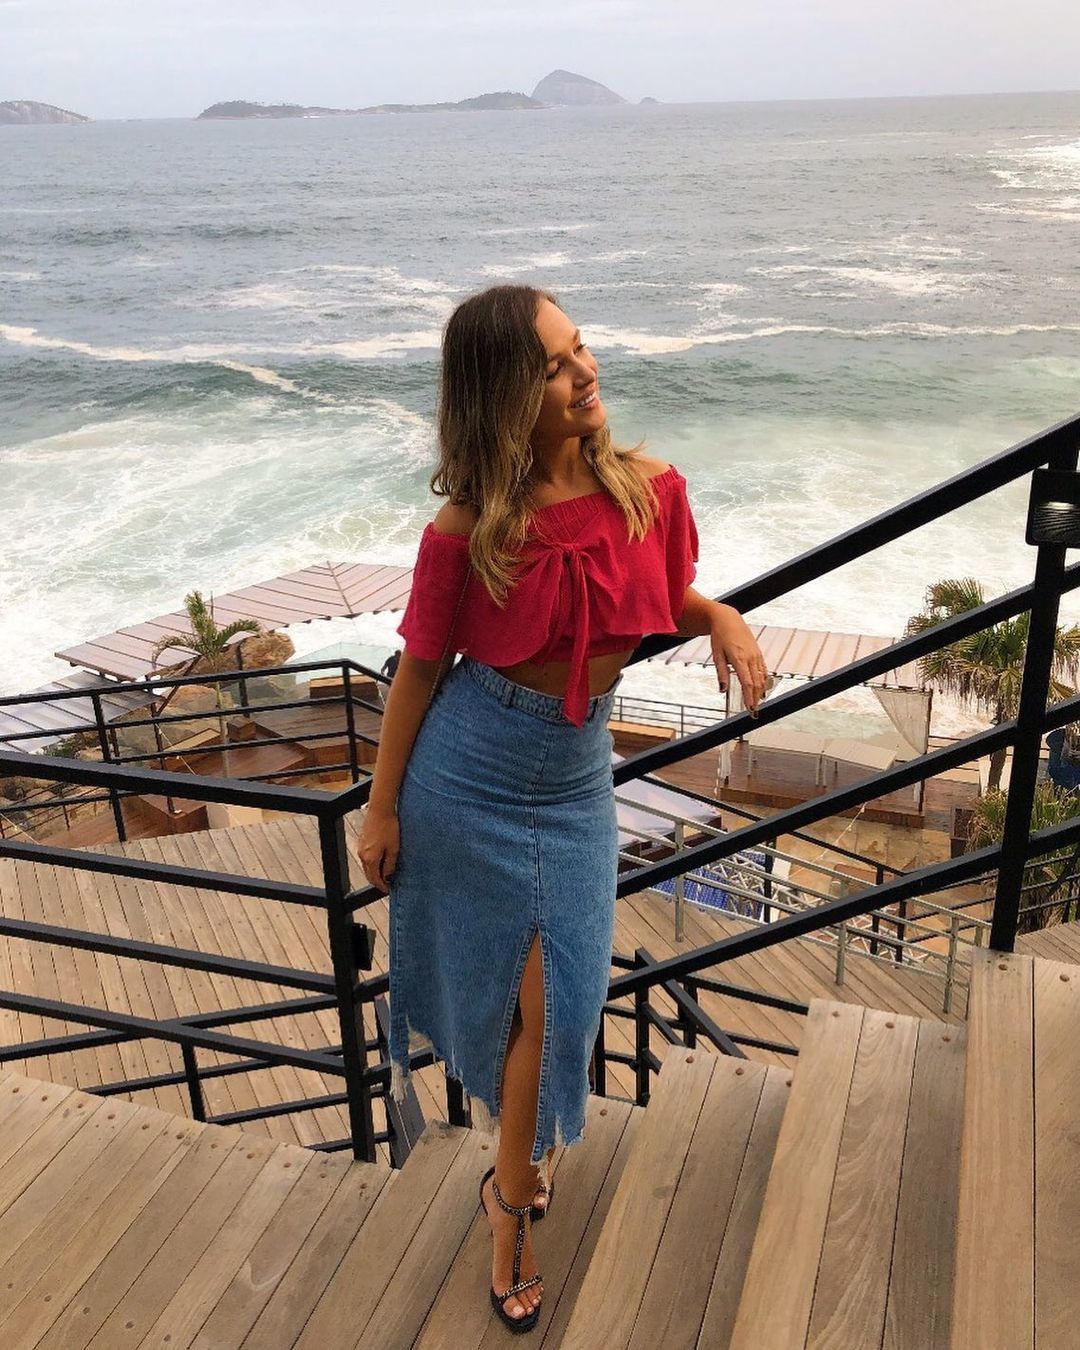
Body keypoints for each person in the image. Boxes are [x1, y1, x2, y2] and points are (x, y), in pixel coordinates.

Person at [355, 284, 768, 1332]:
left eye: (580, 348)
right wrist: (381, 808)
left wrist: (718, 613)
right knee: (524, 1003)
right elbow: (418, 671)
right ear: (504, 392)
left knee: (568, 1006)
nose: (585, 372)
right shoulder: (468, 527)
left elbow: (646, 597)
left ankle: (509, 1178)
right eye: (553, 364)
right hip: (470, 770)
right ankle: (513, 1205)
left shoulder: (646, 488)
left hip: (577, 776)